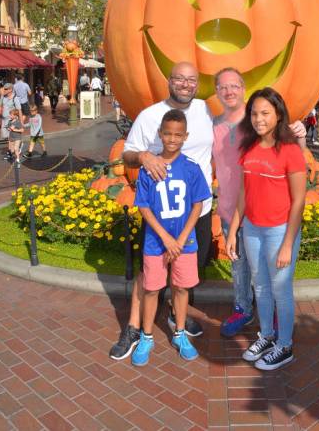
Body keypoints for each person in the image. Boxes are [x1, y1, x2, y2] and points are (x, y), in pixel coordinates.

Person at [109, 62, 214, 360]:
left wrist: (293, 128)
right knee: (150, 273)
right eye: (179, 78)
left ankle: (174, 321)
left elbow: (243, 122)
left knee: (186, 272)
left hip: (197, 211)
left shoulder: (208, 110)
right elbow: (127, 155)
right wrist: (143, 155)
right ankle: (135, 327)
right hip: (160, 215)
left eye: (191, 79)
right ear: (169, 80)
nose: (185, 84)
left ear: (198, 83)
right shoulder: (150, 115)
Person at [213, 67, 306, 338]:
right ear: (216, 91)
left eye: (234, 86)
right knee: (240, 265)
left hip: (269, 215)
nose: (229, 91)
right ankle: (244, 309)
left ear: (243, 88)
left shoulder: (260, 120)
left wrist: (300, 137)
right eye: (222, 87)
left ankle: (278, 318)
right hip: (234, 207)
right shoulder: (213, 126)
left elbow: (292, 160)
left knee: (272, 272)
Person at [131, 109, 211, 366]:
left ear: (185, 136)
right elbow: (143, 206)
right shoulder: (149, 168)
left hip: (185, 243)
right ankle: (146, 336)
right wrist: (166, 238)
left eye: (178, 135)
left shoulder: (191, 168)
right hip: (156, 242)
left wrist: (182, 237)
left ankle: (179, 333)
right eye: (168, 134)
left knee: (181, 288)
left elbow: (198, 204)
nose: (173, 139)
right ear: (160, 134)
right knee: (152, 288)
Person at [0, 83, 22, 160]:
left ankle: (10, 152)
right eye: (4, 88)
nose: (4, 90)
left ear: (10, 89)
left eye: (6, 89)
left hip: (12, 121)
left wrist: (21, 122)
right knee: (6, 137)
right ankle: (14, 148)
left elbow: (19, 110)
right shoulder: (3, 97)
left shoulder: (15, 98)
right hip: (4, 120)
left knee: (10, 137)